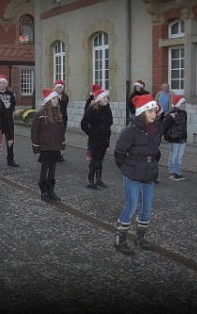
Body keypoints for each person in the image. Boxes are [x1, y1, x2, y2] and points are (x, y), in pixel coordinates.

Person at [114, 94, 161, 255]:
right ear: (142, 112)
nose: (153, 114)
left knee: (146, 208)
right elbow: (119, 152)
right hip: (132, 172)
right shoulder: (131, 130)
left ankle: (140, 238)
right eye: (150, 111)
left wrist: (153, 163)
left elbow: (156, 150)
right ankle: (120, 241)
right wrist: (127, 168)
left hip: (149, 172)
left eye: (154, 110)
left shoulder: (156, 128)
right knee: (132, 205)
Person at [31, 88, 65, 202]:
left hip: (55, 146)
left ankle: (51, 190)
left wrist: (62, 146)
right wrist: (36, 148)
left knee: (52, 170)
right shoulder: (40, 114)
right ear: (49, 100)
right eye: (55, 98)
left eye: (57, 98)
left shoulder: (59, 113)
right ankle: (44, 191)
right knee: (44, 169)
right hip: (45, 147)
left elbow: (61, 131)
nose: (57, 100)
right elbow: (34, 132)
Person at [81, 88, 113, 189]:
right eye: (104, 97)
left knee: (100, 159)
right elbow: (83, 124)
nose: (106, 99)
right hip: (95, 139)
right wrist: (91, 133)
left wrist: (107, 129)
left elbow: (110, 121)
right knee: (94, 160)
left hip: (104, 138)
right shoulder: (91, 109)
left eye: (106, 97)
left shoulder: (107, 108)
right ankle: (90, 180)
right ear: (99, 99)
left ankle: (99, 179)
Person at [0, 74, 19, 168]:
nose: (2, 84)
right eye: (1, 82)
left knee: (10, 141)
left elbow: (13, 104)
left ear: (6, 84)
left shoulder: (10, 94)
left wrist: (10, 112)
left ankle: (10, 160)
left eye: (4, 83)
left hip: (8, 121)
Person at [162, 95, 188, 181]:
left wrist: (185, 137)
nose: (184, 105)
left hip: (182, 139)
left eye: (184, 104)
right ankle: (172, 173)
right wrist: (169, 136)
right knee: (174, 156)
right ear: (178, 104)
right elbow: (164, 127)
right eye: (182, 104)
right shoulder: (171, 114)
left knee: (179, 156)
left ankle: (178, 172)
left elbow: (184, 127)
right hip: (174, 139)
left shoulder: (184, 113)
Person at [84, 83, 101, 161]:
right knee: (91, 138)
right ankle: (89, 152)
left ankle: (97, 150)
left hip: (100, 123)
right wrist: (91, 106)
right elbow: (86, 111)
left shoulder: (101, 99)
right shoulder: (90, 99)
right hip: (92, 123)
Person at [54, 80, 69, 162]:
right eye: (58, 88)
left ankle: (61, 155)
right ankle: (55, 155)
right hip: (55, 120)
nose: (59, 89)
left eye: (61, 88)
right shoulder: (53, 97)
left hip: (63, 120)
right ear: (55, 88)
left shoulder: (65, 97)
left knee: (62, 138)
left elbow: (64, 109)